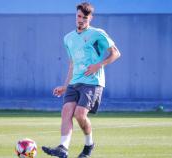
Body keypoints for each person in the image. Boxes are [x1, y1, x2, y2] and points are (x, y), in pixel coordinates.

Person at [42, 2, 121, 158]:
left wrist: (99, 65)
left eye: (85, 17)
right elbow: (72, 64)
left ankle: (89, 145)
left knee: (79, 114)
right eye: (79, 16)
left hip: (92, 82)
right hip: (74, 83)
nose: (81, 20)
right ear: (75, 16)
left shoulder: (97, 33)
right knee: (66, 111)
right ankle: (63, 148)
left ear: (90, 18)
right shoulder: (68, 38)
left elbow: (116, 53)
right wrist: (65, 86)